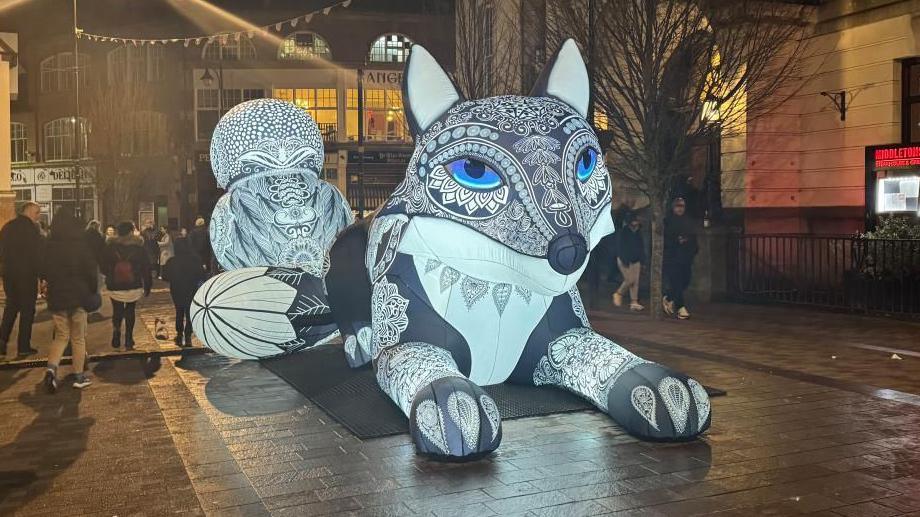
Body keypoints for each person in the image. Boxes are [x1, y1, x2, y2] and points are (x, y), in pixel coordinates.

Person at [42, 208, 97, 391]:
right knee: (78, 338)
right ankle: (79, 377)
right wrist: (92, 290)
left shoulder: (49, 245)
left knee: (61, 337)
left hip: (58, 296)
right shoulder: (79, 243)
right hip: (78, 296)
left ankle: (51, 370)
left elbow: (44, 270)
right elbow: (90, 270)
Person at [0, 202, 44, 358]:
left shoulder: (7, 227)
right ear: (30, 212)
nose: (39, 216)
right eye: (37, 213)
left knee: (11, 307)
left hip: (10, 275)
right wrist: (42, 276)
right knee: (27, 311)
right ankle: (23, 346)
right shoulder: (32, 230)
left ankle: (2, 343)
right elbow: (38, 255)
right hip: (27, 276)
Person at [103, 221, 151, 350]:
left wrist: (109, 274)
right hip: (133, 284)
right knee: (130, 310)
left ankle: (116, 331)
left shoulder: (110, 246)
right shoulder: (139, 247)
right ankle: (129, 338)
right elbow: (146, 267)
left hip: (115, 285)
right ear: (131, 231)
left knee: (117, 310)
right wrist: (147, 285)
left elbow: (102, 264)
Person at [162, 238, 206, 347]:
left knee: (179, 310)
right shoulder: (195, 260)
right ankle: (188, 334)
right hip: (191, 288)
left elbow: (165, 277)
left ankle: (179, 332)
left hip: (177, 289)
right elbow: (201, 275)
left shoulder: (172, 261)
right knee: (189, 312)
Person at [663, 197, 698, 320]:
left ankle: (669, 297)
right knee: (677, 282)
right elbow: (665, 239)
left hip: (685, 258)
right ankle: (681, 308)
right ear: (673, 207)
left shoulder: (688, 221)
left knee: (685, 281)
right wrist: (676, 241)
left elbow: (693, 238)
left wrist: (693, 250)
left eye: (682, 206)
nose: (679, 208)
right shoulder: (668, 221)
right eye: (677, 206)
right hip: (673, 258)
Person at [613, 213, 645, 311]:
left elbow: (641, 247)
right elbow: (620, 248)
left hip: (636, 260)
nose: (636, 224)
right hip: (624, 259)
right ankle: (618, 293)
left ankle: (634, 302)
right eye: (634, 222)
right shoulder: (623, 232)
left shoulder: (639, 232)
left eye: (637, 222)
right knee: (629, 280)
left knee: (635, 282)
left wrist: (642, 260)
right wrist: (624, 260)